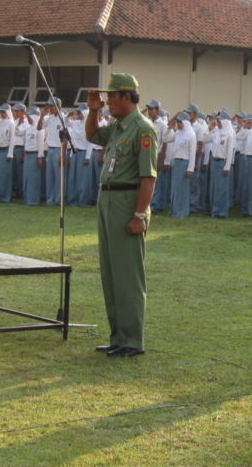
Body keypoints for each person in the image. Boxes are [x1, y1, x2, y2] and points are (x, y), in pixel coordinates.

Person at [85, 73, 158, 358]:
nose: (108, 102)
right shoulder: (118, 127)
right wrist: (94, 111)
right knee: (111, 273)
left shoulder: (143, 129)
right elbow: (92, 135)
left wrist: (139, 214)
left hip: (127, 202)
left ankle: (132, 339)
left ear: (127, 97)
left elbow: (148, 178)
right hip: (108, 200)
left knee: (128, 275)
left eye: (112, 97)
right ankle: (118, 336)